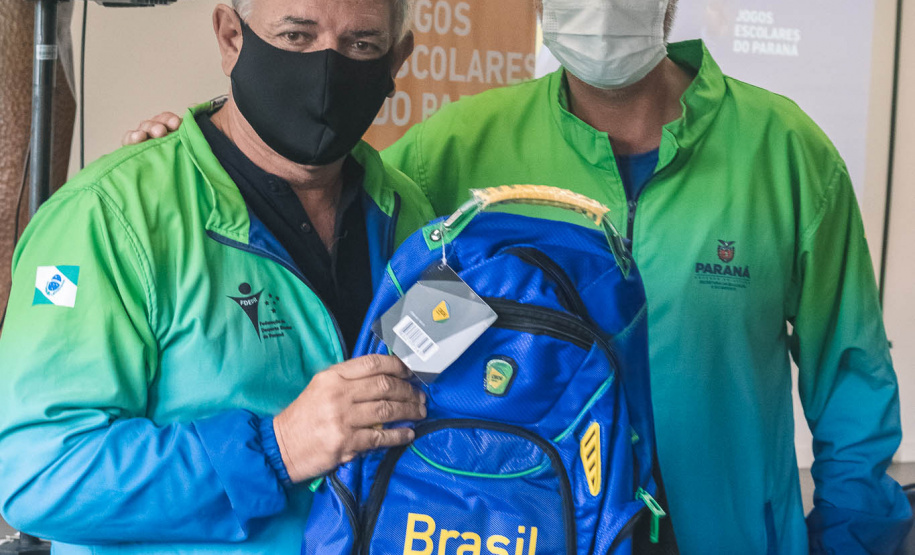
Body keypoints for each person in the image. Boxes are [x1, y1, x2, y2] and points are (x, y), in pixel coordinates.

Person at [124, 0, 914, 552]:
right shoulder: (462, 146)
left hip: (723, 532)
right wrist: (195, 143)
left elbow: (850, 377)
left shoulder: (785, 154)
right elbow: (314, 190)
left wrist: (848, 540)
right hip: (520, 519)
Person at [0, 0, 434, 553]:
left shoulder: (410, 215)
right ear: (231, 37)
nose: (327, 69)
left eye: (361, 46)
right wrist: (278, 450)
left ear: (397, 60)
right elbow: (42, 474)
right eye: (297, 36)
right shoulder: (107, 217)